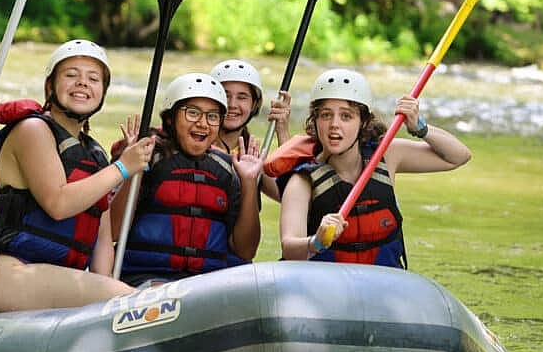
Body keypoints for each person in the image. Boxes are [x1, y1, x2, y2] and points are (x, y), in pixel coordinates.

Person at [0, 40, 155, 312]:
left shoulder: (95, 156)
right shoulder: (32, 129)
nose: (83, 83)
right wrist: (123, 167)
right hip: (6, 275)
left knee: (123, 298)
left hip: (58, 278)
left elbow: (103, 240)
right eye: (71, 75)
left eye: (93, 79)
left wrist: (106, 305)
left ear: (103, 92)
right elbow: (58, 203)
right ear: (50, 87)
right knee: (132, 300)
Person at [273, 68, 471, 268]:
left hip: (383, 282)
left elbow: (458, 156)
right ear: (315, 121)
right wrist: (316, 242)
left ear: (364, 122)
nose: (334, 124)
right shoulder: (302, 180)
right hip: (327, 283)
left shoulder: (387, 154)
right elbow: (289, 248)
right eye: (325, 115)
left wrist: (419, 127)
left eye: (346, 116)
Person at [112, 72, 263, 286]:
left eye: (212, 116)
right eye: (192, 113)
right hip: (142, 280)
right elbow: (112, 231)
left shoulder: (227, 170)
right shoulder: (147, 157)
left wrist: (248, 183)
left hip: (204, 285)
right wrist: (133, 170)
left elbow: (246, 251)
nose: (203, 123)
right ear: (170, 118)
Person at [210, 58, 292, 202]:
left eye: (242, 97)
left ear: (254, 104)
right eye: (225, 95)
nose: (232, 104)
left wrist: (282, 131)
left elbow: (290, 195)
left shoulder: (254, 159)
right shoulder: (194, 146)